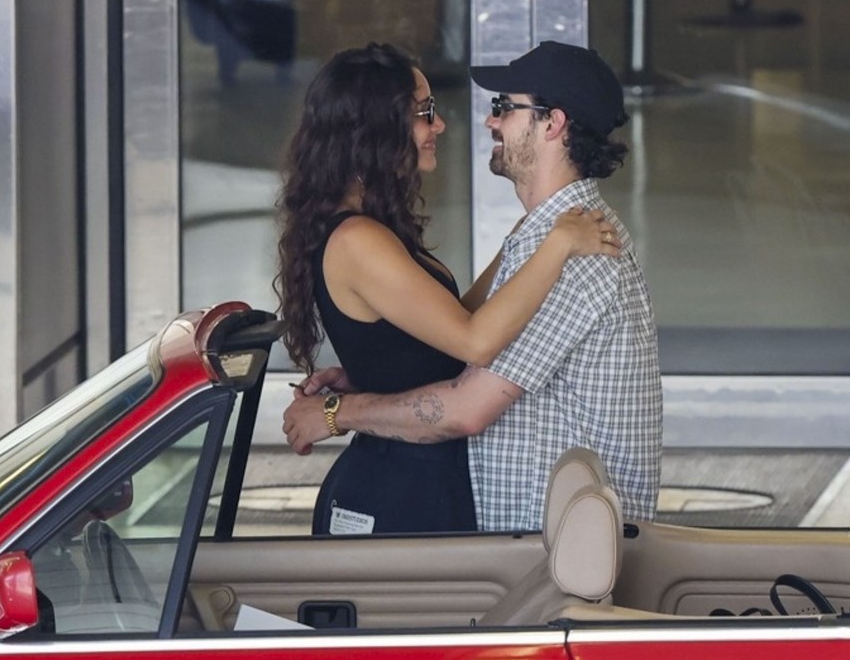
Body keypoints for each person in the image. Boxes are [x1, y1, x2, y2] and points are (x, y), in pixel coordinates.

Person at [284, 40, 663, 532]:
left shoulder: (574, 250)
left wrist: (341, 407)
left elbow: (466, 393)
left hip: (548, 545)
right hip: (405, 496)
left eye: (504, 108)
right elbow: (468, 339)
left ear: (553, 123)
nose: (481, 121)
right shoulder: (560, 241)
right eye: (425, 113)